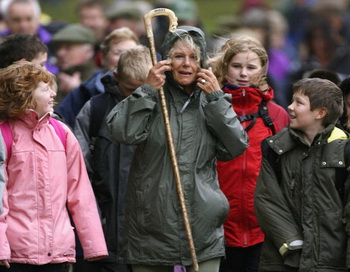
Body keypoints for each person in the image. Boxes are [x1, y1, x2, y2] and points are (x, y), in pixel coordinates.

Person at [106, 25, 249, 272]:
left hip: (202, 225)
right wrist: (147, 90)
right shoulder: (153, 96)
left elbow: (235, 146)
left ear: (202, 61)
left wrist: (217, 99)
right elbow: (122, 132)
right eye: (179, 57)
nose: (186, 64)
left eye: (193, 57)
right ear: (166, 61)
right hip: (151, 226)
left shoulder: (211, 99)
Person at [0, 61, 108, 271]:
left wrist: (93, 244)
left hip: (58, 252)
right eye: (45, 88)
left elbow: (81, 193)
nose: (52, 94)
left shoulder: (62, 133)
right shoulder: (5, 135)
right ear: (25, 94)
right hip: (14, 254)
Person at [207, 35, 290, 272]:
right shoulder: (209, 107)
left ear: (262, 70)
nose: (243, 74)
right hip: (217, 224)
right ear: (225, 66)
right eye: (236, 66)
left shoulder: (277, 115)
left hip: (263, 227)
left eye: (251, 67)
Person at [255, 77, 348, 271]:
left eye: (299, 103)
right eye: (292, 100)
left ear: (320, 113)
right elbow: (267, 200)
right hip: (283, 260)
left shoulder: (345, 151)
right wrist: (291, 242)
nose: (289, 107)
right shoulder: (275, 149)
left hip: (330, 263)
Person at [74, 44, 152, 272]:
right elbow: (79, 169)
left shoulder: (163, 110)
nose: (137, 97)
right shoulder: (96, 109)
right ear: (116, 77)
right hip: (104, 225)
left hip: (150, 235)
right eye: (130, 90)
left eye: (143, 90)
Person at [56, 27, 139, 128]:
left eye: (133, 53)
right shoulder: (83, 92)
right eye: (118, 53)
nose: (126, 59)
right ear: (103, 57)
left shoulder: (151, 90)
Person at [0, 0, 58, 73]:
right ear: (6, 22)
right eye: (17, 20)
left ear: (38, 19)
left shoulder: (55, 42)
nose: (23, 25)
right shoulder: (1, 47)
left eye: (29, 19)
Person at [51, 23, 97, 104]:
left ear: (88, 51)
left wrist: (77, 93)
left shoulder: (99, 81)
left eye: (68, 48)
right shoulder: (51, 81)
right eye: (58, 48)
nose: (60, 53)